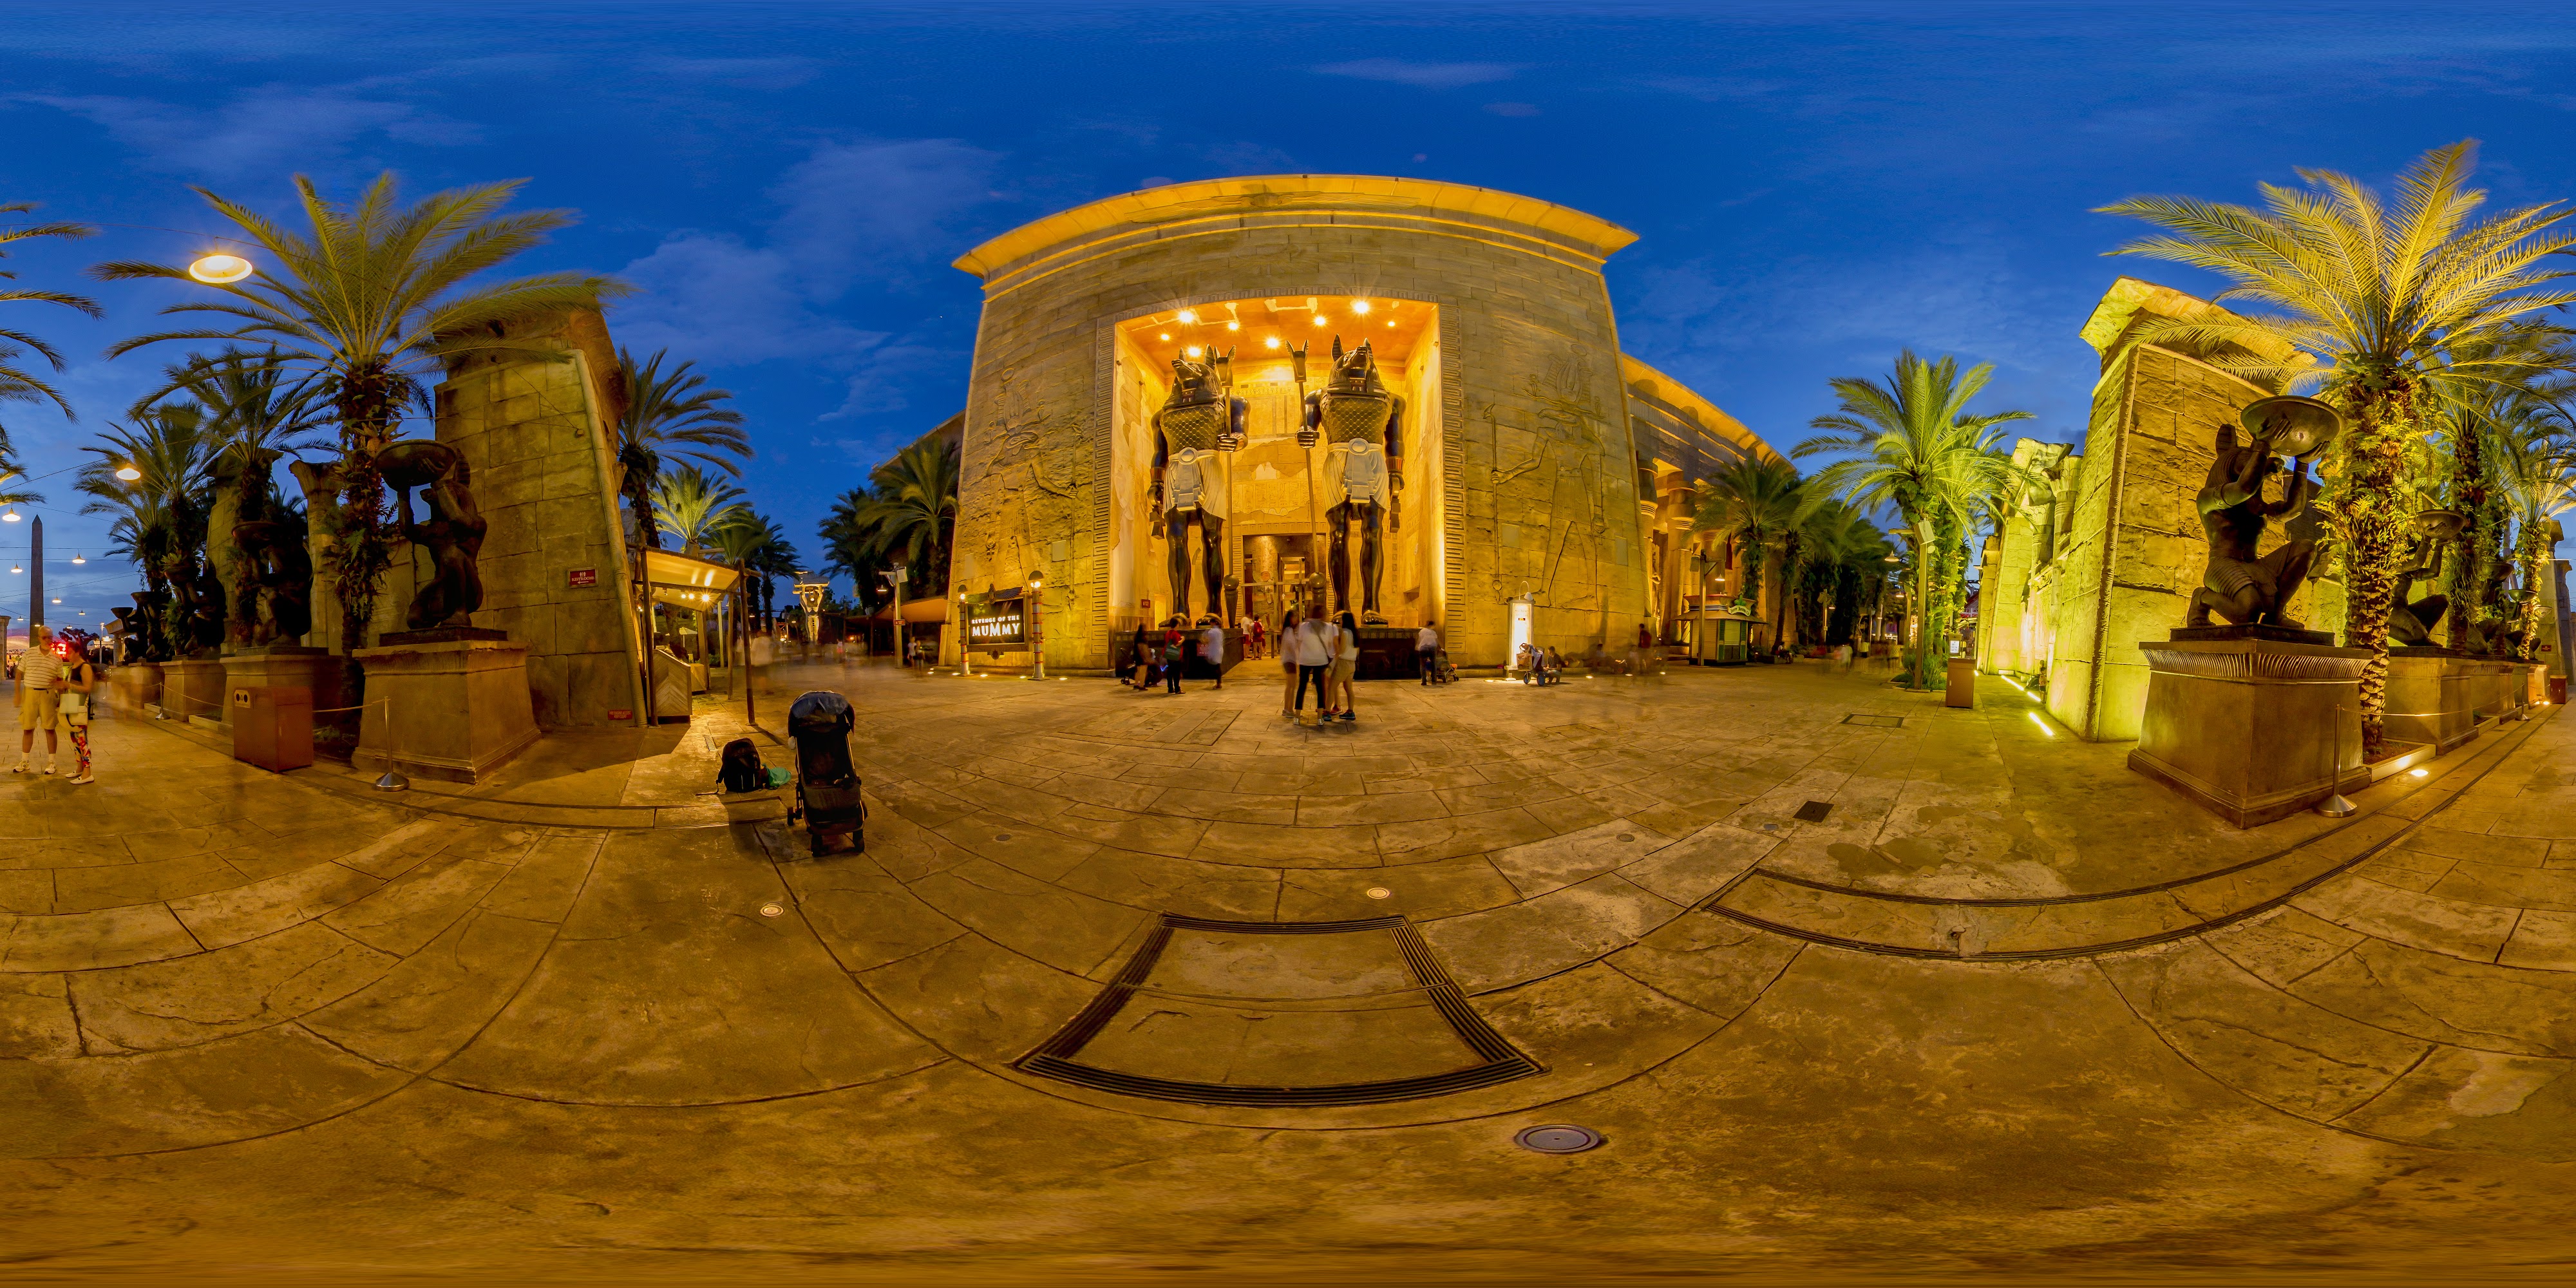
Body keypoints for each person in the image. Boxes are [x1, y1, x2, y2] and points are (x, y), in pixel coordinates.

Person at [14, 625, 62, 774]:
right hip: (30, 694)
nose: (48, 640)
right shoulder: (29, 653)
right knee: (28, 728)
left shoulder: (57, 658)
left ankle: (52, 762)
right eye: (45, 637)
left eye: (50, 637)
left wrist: (61, 698)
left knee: (50, 728)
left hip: (48, 695)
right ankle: (24, 761)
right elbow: (19, 674)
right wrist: (17, 694)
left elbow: (60, 679)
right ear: (39, 638)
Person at [1288, 604, 1335, 721]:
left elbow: (1299, 643)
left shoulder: (1304, 626)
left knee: (1302, 687)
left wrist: (1299, 657)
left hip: (1305, 660)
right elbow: (1330, 645)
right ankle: (1320, 718)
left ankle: (1297, 717)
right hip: (1321, 660)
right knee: (1320, 688)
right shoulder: (1329, 627)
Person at [59, 645, 95, 784]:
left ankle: (87, 773)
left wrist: (70, 686)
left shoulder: (85, 667)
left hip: (80, 705)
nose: (67, 654)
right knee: (74, 738)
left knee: (82, 739)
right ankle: (80, 767)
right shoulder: (72, 667)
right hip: (72, 703)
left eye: (70, 652)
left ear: (77, 652)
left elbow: (88, 688)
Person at [1330, 610, 1361, 722]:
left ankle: (1326, 712)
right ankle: (1350, 711)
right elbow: (1357, 651)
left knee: (1331, 687)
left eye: (1341, 620)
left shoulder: (1345, 633)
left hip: (1343, 663)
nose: (1340, 622)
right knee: (1349, 689)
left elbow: (1341, 650)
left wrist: (1334, 657)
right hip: (1352, 663)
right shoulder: (1355, 633)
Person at [1201, 619, 1226, 690]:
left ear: (1213, 623)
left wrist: (1202, 639)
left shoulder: (1212, 632)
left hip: (1214, 651)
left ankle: (1218, 683)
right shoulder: (1220, 631)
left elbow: (1207, 640)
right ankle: (1219, 682)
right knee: (1218, 666)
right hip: (1220, 650)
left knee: (1215, 667)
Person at [1416, 620, 1439, 685]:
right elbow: (1436, 641)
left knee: (1423, 665)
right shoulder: (1434, 632)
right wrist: (1439, 649)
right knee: (1434, 664)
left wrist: (1417, 647)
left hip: (1423, 648)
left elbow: (1419, 640)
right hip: (1432, 648)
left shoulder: (1422, 631)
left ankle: (1424, 681)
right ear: (1432, 625)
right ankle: (1434, 680)